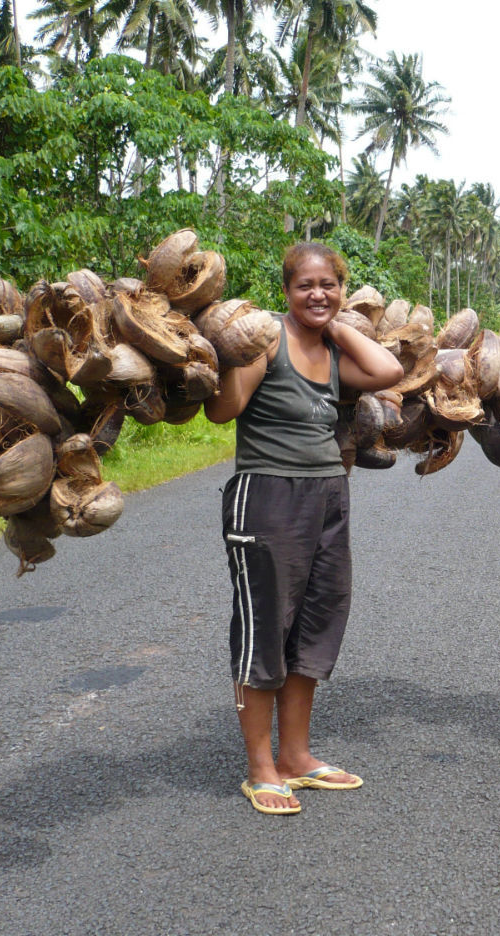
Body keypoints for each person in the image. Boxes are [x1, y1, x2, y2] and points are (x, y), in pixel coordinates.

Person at [204, 242, 403, 815]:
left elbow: (389, 370)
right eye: (305, 286)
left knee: (316, 624)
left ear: (342, 290)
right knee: (265, 628)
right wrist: (233, 354)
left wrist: (337, 327)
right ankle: (261, 768)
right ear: (285, 291)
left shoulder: (336, 350)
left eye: (329, 285)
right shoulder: (266, 341)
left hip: (327, 495)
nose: (318, 294)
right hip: (266, 496)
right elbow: (224, 410)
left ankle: (297, 757)